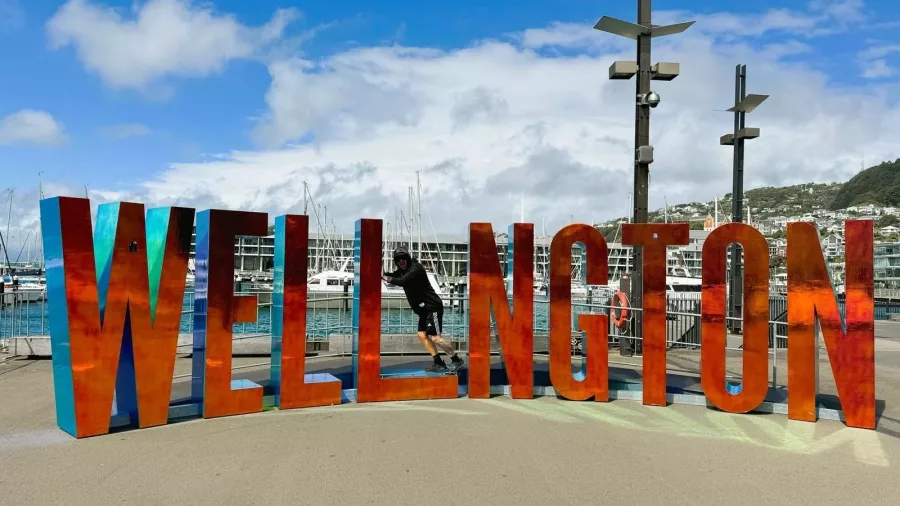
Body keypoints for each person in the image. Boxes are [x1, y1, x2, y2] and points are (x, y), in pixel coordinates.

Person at [382, 246, 465, 373]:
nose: (401, 261)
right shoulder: (402, 271)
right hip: (424, 311)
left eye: (404, 258)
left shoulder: (416, 268)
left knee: (435, 337)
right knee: (421, 335)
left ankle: (457, 360)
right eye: (398, 259)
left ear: (408, 258)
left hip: (433, 307)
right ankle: (438, 363)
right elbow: (390, 276)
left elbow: (402, 281)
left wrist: (384, 277)